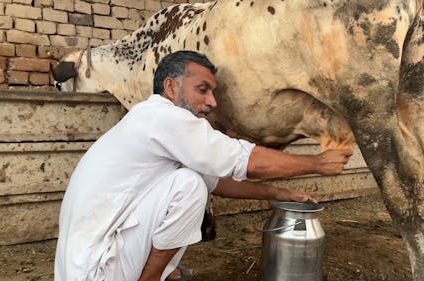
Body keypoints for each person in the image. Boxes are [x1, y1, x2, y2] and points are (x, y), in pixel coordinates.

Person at [54, 50, 353, 281]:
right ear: (171, 87)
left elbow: (218, 182)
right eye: (202, 90)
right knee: (189, 187)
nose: (212, 102)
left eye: (213, 92)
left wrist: (280, 193)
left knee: (194, 182)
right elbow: (241, 160)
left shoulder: (151, 121)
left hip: (83, 263)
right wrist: (317, 163)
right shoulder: (164, 118)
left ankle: (157, 272)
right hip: (94, 268)